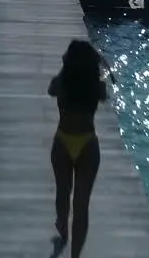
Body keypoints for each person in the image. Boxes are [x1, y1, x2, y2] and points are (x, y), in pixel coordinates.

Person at [47, 39, 112, 257]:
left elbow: (50, 90)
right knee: (81, 206)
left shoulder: (61, 82)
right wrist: (98, 64)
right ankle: (75, 254)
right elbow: (104, 95)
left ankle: (62, 226)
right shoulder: (97, 86)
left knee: (62, 193)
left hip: (63, 141)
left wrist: (65, 67)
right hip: (88, 144)